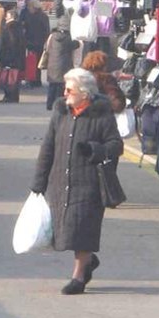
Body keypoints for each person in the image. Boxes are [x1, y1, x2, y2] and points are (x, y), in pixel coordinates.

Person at [30, 68, 123, 295]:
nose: (65, 93)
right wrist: (38, 183)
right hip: (61, 181)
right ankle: (89, 261)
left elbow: (116, 145)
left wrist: (95, 149)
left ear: (84, 92)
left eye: (69, 89)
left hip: (89, 183)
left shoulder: (102, 114)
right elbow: (48, 147)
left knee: (83, 230)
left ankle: (78, 276)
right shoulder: (61, 111)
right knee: (65, 232)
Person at [43, 16, 81, 110]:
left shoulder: (52, 36)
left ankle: (49, 104)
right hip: (64, 66)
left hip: (52, 64)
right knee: (61, 87)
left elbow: (46, 47)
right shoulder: (67, 38)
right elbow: (76, 45)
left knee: (52, 86)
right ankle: (59, 105)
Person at [0, 9, 26, 103]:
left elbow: (2, 43)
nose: (5, 18)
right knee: (15, 78)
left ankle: (8, 96)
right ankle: (15, 97)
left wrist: (0, 55)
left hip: (7, 56)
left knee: (7, 78)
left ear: (11, 17)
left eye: (7, 16)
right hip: (18, 56)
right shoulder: (20, 28)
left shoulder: (7, 28)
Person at [22, 0, 51, 87]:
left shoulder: (30, 16)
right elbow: (47, 30)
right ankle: (37, 80)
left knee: (31, 61)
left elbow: (25, 28)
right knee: (38, 62)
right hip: (40, 42)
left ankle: (31, 79)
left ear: (34, 7)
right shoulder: (44, 16)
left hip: (30, 41)